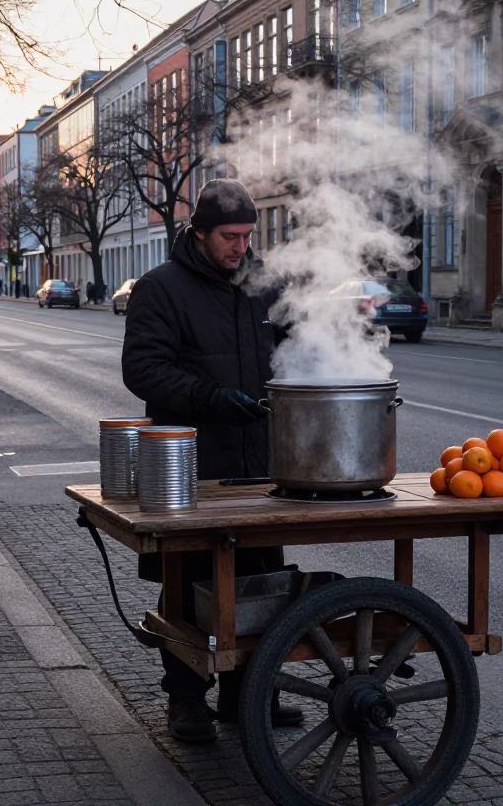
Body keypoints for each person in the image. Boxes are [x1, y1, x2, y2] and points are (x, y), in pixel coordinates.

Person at [122, 179, 300, 744]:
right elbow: (143, 371)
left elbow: (298, 344)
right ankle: (185, 702)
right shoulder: (161, 289)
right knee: (190, 588)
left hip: (260, 467)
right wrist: (211, 397)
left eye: (247, 236)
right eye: (229, 236)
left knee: (262, 583)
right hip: (191, 466)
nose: (240, 248)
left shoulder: (262, 285)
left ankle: (247, 695)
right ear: (198, 233)